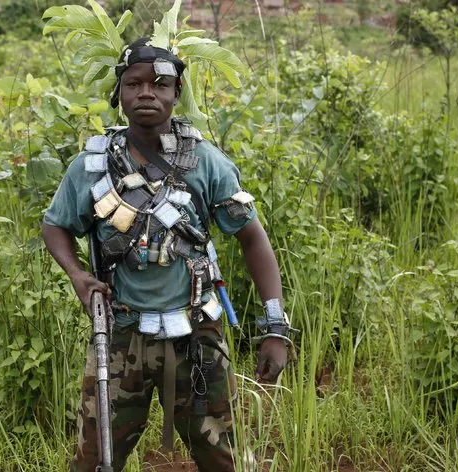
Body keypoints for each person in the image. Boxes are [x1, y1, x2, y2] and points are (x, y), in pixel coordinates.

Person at [41, 38, 293, 472]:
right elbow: (55, 226)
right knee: (96, 458)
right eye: (134, 83)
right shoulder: (94, 166)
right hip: (121, 335)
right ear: (119, 93)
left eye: (160, 84)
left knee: (222, 456)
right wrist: (78, 275)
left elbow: (254, 240)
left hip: (197, 335)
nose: (146, 93)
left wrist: (275, 325)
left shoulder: (206, 163)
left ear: (177, 93)